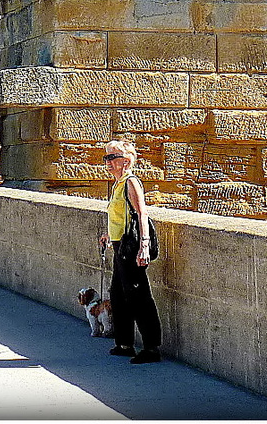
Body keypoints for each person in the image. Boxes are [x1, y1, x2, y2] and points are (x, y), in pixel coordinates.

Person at [98, 139, 161, 364]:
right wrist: (108, 234)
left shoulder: (130, 182)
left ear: (125, 161)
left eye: (111, 158)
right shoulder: (117, 183)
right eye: (106, 157)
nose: (107, 162)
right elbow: (119, 216)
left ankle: (151, 348)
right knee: (119, 295)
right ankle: (124, 343)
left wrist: (144, 245)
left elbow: (141, 214)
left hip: (131, 245)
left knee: (137, 294)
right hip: (119, 244)